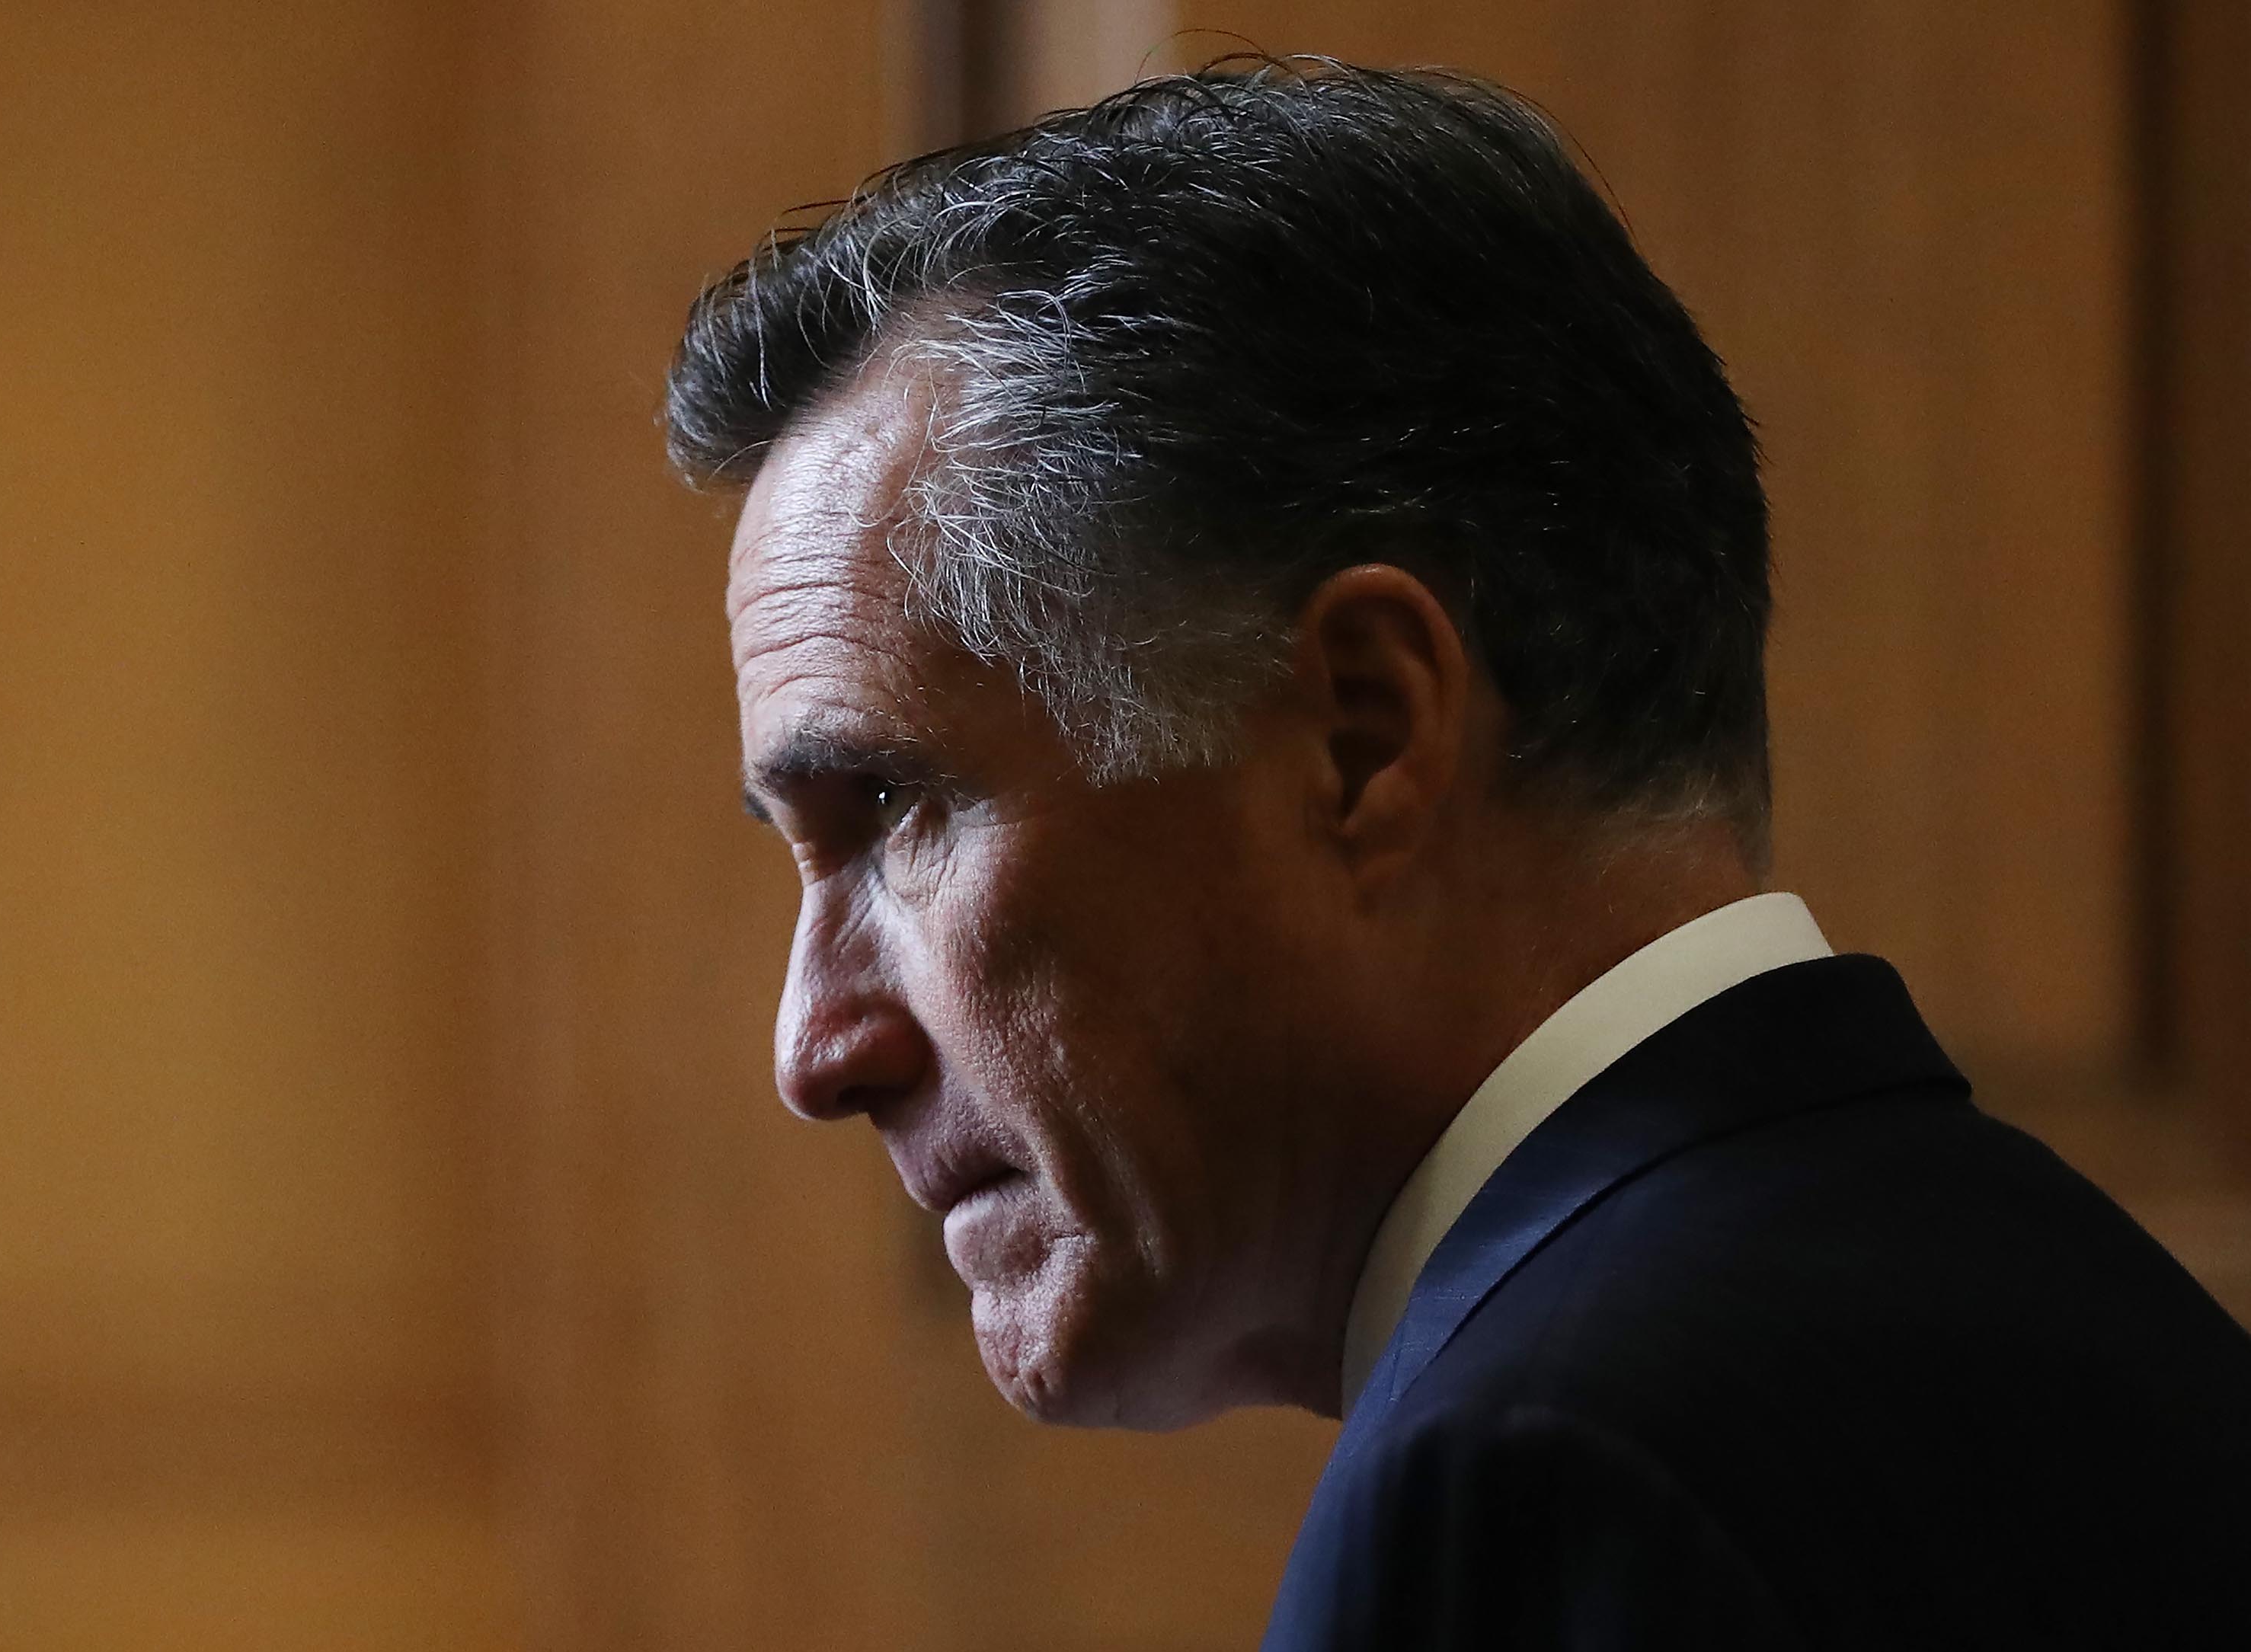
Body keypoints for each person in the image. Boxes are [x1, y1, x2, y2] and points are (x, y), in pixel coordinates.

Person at [665, 59, 2251, 1650]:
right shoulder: (2041, 1307)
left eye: (890, 811)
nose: (817, 1045)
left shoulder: (1549, 1473)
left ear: (1362, 732)